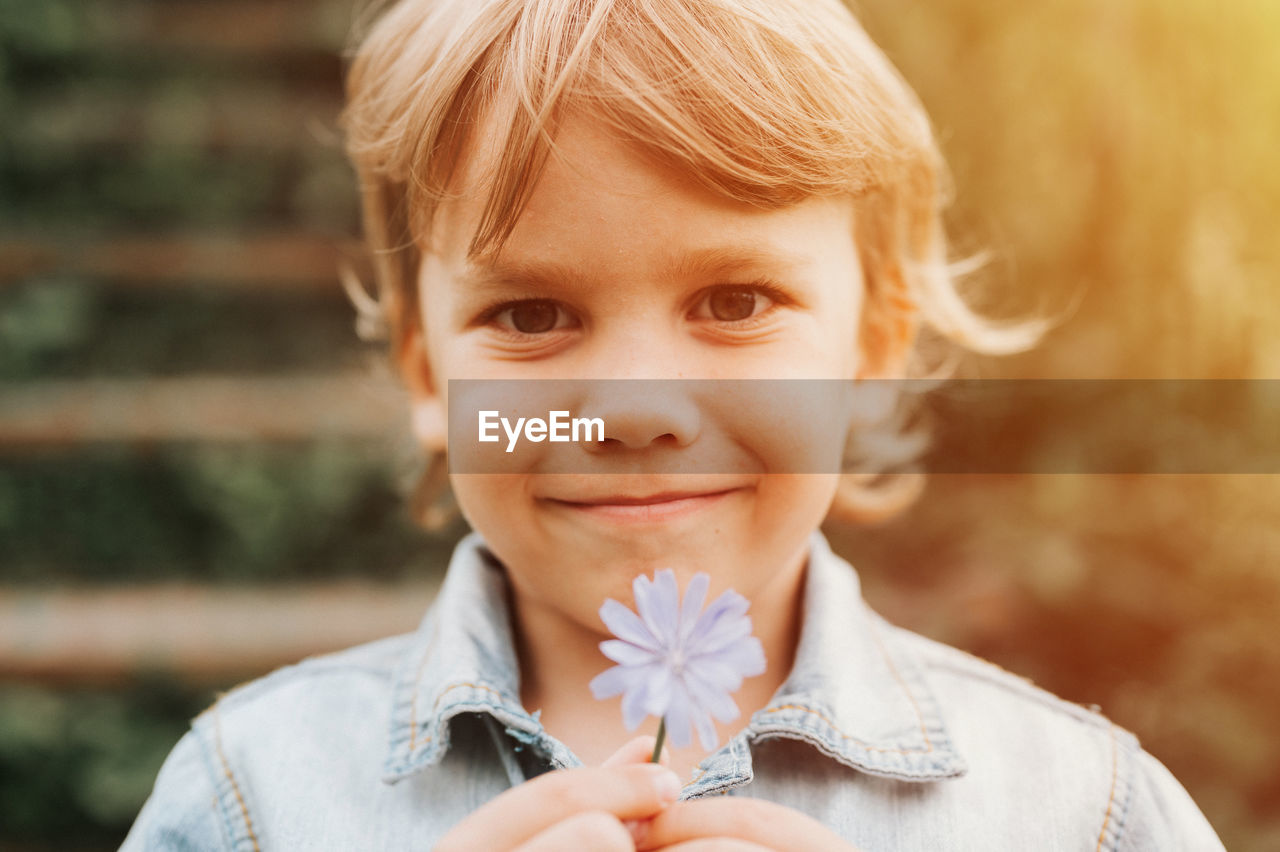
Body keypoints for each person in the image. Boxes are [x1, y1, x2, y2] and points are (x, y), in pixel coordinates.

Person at [122, 0, 1225, 848]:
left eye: (734, 304)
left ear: (872, 350)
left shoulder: (1083, 812)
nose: (638, 407)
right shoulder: (247, 798)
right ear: (428, 374)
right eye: (532, 314)